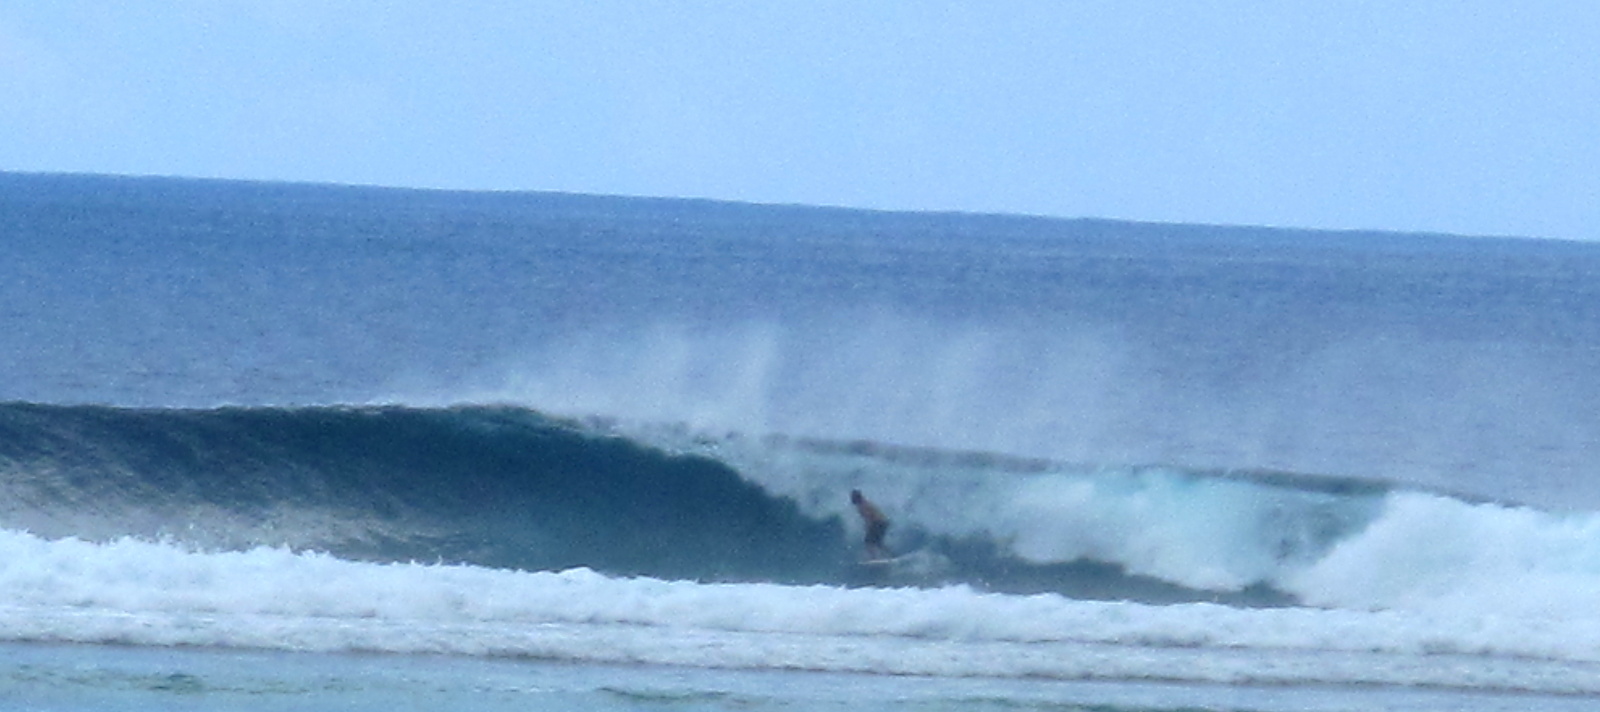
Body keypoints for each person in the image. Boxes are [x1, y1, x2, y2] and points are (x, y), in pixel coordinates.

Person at [850, 489, 891, 560]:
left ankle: (874, 558)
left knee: (868, 542)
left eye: (853, 497)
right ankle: (890, 555)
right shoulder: (865, 502)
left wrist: (868, 528)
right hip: (884, 522)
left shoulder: (862, 506)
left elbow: (869, 518)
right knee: (878, 542)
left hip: (879, 522)